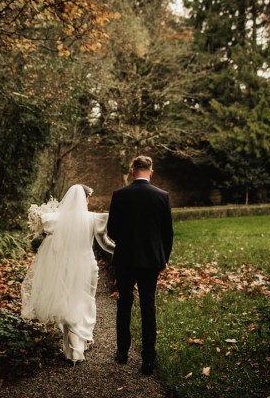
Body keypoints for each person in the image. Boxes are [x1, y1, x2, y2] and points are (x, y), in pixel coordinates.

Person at [21, 184, 115, 365]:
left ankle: (72, 350)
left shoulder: (55, 219)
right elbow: (105, 244)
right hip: (88, 267)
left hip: (65, 267)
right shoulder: (95, 218)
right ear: (86, 198)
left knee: (67, 302)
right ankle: (82, 341)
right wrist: (122, 250)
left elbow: (49, 241)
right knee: (85, 301)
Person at [107, 155, 173, 376]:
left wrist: (127, 242)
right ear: (150, 172)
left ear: (133, 171)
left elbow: (112, 230)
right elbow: (167, 234)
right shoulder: (162, 196)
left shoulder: (119, 195)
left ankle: (122, 352)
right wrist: (163, 259)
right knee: (148, 306)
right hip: (151, 261)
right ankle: (148, 359)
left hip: (125, 259)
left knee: (124, 304)